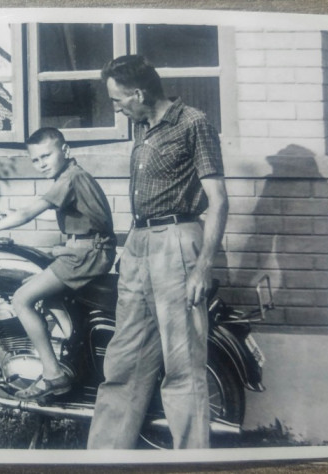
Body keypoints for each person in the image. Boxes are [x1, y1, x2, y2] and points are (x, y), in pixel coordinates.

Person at [87, 55, 229, 450]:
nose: (116, 108)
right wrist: (131, 250)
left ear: (139, 93)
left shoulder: (193, 123)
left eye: (118, 100)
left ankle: (191, 460)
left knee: (182, 366)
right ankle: (104, 458)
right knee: (123, 362)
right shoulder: (143, 129)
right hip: (140, 245)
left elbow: (218, 200)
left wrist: (203, 267)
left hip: (178, 244)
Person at [0, 127, 116, 400]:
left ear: (65, 151)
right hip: (87, 250)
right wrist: (13, 214)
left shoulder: (71, 178)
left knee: (21, 299)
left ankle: (53, 375)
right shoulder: (74, 177)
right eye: (36, 160)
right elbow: (70, 216)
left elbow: (29, 212)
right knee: (33, 284)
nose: (42, 163)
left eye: (46, 156)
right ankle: (66, 347)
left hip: (85, 255)